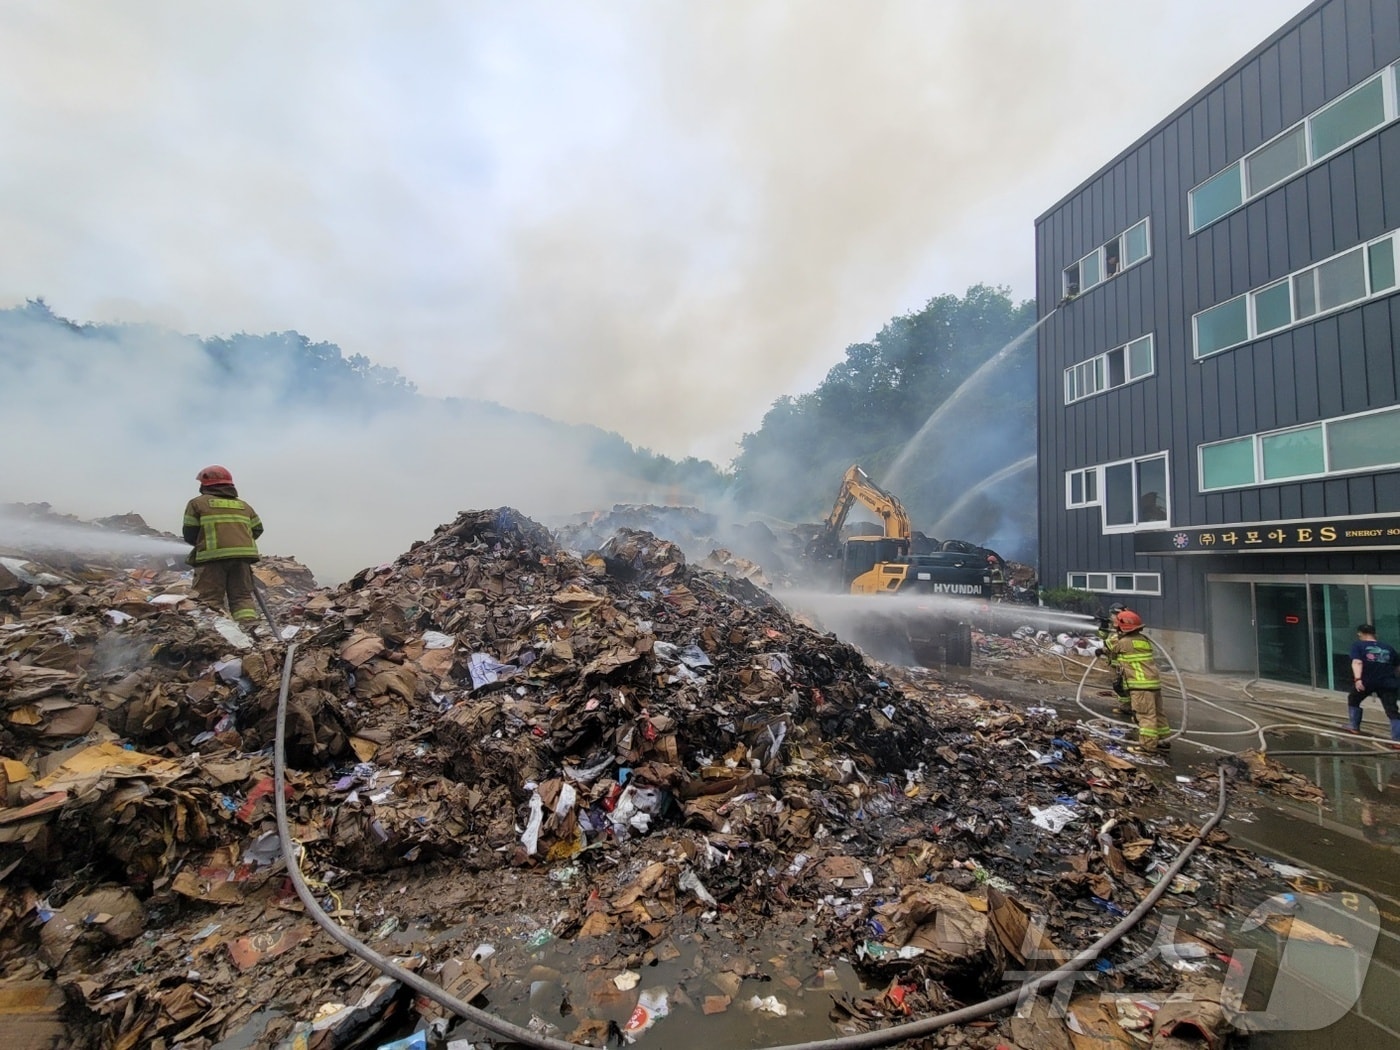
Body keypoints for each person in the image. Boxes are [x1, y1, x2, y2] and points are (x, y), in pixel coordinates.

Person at [182, 465, 264, 626]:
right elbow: (257, 529)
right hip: (242, 559)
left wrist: (205, 544)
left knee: (209, 599)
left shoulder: (197, 503)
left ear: (205, 484)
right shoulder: (244, 506)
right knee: (242, 597)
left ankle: (216, 632)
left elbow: (190, 533)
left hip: (211, 560)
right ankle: (250, 629)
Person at [1111, 610, 1170, 753]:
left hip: (1140, 686)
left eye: (1118, 625)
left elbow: (1110, 649)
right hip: (1153, 684)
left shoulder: (1124, 642)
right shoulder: (1143, 640)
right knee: (1158, 713)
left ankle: (1147, 747)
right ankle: (1163, 741)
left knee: (1145, 716)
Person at [1345, 624, 1400, 742]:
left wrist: (1358, 679)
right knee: (1392, 710)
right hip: (1387, 682)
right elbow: (1397, 667)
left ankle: (1354, 727)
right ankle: (1397, 740)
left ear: (1360, 634)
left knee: (1354, 699)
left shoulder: (1358, 645)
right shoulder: (1388, 647)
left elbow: (1357, 662)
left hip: (1367, 681)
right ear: (1375, 634)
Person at [1097, 603, 1132, 714]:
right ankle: (1125, 707)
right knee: (1119, 686)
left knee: (1124, 686)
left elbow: (1115, 643)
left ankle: (1129, 708)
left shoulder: (1126, 624)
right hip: (1115, 662)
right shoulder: (1114, 625)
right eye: (1111, 614)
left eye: (1113, 614)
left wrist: (1103, 650)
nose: (1112, 617)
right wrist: (1103, 626)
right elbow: (1103, 636)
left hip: (1123, 663)